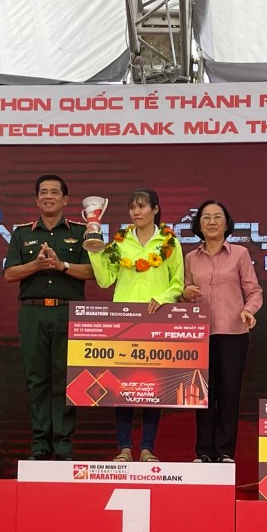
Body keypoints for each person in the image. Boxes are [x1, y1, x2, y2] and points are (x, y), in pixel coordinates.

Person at [89, 188, 184, 462]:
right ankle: (124, 448)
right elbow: (105, 280)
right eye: (132, 207)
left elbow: (178, 282)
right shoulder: (120, 241)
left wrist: (162, 298)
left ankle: (147, 449)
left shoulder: (170, 242)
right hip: (124, 323)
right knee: (122, 387)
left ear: (155, 209)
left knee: (153, 388)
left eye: (141, 206)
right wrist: (94, 249)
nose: (136, 212)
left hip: (156, 322)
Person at [4, 175, 94, 461]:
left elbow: (94, 272)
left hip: (69, 312)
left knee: (67, 379)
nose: (48, 196)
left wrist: (61, 265)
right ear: (36, 200)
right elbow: (9, 273)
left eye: (55, 192)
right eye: (43, 192)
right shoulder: (22, 234)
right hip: (33, 313)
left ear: (65, 200)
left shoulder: (81, 232)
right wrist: (36, 264)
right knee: (37, 380)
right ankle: (41, 445)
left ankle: (64, 445)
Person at [182, 200, 263, 463]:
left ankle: (225, 451)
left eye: (218, 217)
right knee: (203, 394)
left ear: (227, 223)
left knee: (229, 393)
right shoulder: (190, 258)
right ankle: (204, 451)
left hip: (233, 334)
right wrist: (185, 294)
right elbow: (184, 294)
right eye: (206, 217)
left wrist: (248, 310)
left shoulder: (240, 253)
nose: (212, 222)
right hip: (200, 335)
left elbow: (254, 291)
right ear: (199, 224)